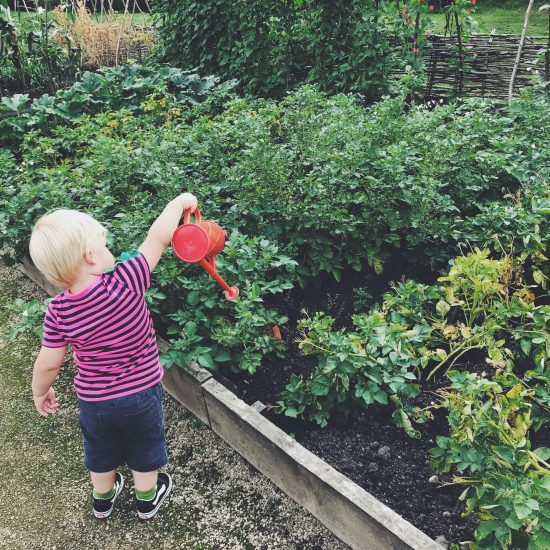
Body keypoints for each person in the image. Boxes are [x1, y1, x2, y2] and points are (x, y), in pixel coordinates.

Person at [29, 193, 198, 520]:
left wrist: (40, 391)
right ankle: (147, 499)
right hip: (140, 394)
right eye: (104, 245)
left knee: (100, 450)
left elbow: (48, 361)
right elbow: (158, 238)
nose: (110, 251)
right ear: (91, 255)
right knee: (144, 447)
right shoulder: (128, 279)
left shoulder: (58, 312)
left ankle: (103, 499)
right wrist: (179, 204)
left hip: (94, 401)